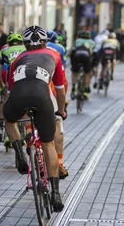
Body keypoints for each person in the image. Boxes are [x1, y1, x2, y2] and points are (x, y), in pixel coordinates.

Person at [4, 25, 66, 212]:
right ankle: (55, 193)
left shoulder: (17, 60)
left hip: (18, 96)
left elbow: (9, 92)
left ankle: (21, 154)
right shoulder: (54, 55)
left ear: (24, 44)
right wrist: (61, 112)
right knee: (48, 145)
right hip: (42, 97)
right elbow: (60, 92)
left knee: (9, 120)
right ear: (45, 42)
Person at [0, 33, 26, 144]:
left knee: (4, 100)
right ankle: (28, 130)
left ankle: (1, 126)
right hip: (24, 76)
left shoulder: (4, 49)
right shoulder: (26, 48)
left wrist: (2, 87)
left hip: (6, 75)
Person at [47, 31, 69, 179]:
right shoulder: (56, 53)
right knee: (57, 123)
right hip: (50, 93)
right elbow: (62, 85)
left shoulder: (24, 54)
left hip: (22, 93)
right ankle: (59, 164)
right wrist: (62, 108)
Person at [70, 31, 95, 100]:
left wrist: (73, 64)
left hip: (77, 56)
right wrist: (93, 65)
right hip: (86, 57)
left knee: (75, 73)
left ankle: (74, 87)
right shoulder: (92, 42)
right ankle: (86, 91)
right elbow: (95, 54)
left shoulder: (77, 41)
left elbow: (72, 52)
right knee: (87, 73)